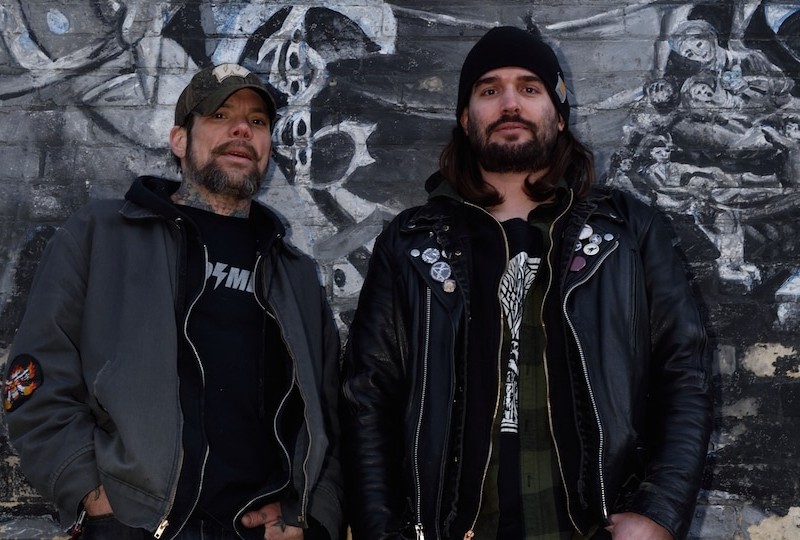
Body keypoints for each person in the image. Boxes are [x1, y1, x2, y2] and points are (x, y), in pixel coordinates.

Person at [340, 26, 712, 540]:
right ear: (465, 117)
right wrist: (381, 532)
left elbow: (684, 373)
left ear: (558, 115)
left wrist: (659, 512)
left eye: (529, 88)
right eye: (489, 90)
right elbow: (367, 398)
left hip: (593, 528)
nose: (509, 103)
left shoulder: (628, 230)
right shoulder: (409, 243)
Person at [3, 63, 342, 540]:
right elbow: (36, 376)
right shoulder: (101, 236)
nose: (242, 129)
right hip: (132, 523)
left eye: (258, 121)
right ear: (180, 140)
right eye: (220, 116)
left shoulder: (296, 274)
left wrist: (311, 515)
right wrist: (91, 493)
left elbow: (329, 414)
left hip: (255, 529)